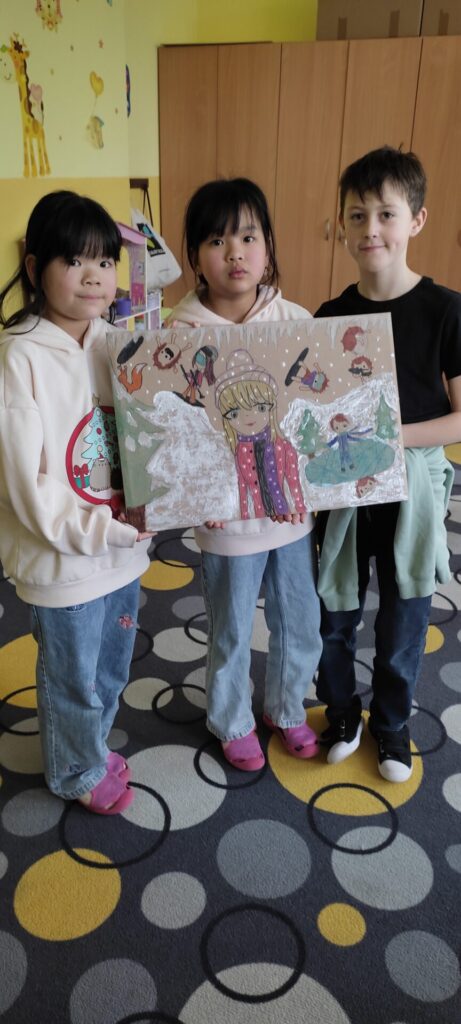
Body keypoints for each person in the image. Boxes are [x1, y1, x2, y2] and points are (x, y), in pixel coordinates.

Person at [0, 191, 153, 813]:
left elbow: (148, 439)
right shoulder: (19, 357)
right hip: (63, 561)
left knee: (112, 667)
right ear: (36, 269)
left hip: (124, 551)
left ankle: (86, 747)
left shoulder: (119, 342)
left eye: (106, 261)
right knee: (71, 679)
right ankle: (75, 771)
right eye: (75, 261)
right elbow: (27, 486)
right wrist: (102, 529)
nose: (95, 276)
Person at [315, 146, 461, 782]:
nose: (370, 228)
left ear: (416, 220)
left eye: (386, 214)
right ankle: (342, 712)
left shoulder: (447, 310)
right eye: (357, 215)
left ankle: (393, 726)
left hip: (413, 492)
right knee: (334, 617)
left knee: (404, 622)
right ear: (342, 226)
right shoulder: (328, 317)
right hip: (345, 493)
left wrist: (391, 437)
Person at [168, 177, 322, 771]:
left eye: (249, 237)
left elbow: (310, 418)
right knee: (231, 628)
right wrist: (192, 497)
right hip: (226, 522)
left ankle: (286, 707)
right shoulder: (179, 335)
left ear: (268, 246)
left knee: (299, 620)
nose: (235, 252)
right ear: (195, 255)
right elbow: (179, 436)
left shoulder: (295, 321)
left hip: (291, 515)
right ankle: (231, 719)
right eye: (217, 240)